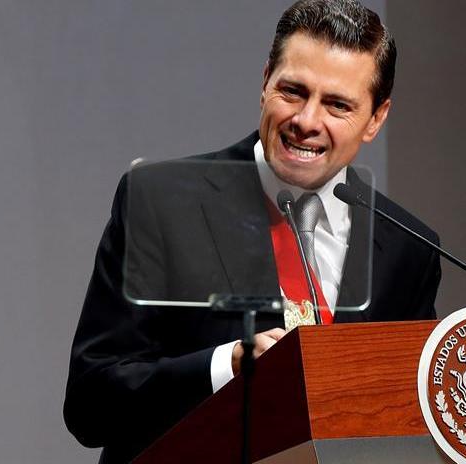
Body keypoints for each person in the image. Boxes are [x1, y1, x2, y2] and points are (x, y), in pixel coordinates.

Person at [63, 1, 441, 462]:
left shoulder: (406, 247)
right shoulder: (161, 203)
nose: (306, 121)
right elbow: (91, 403)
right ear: (265, 83)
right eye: (293, 92)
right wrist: (227, 366)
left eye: (337, 105)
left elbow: (407, 422)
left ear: (376, 118)